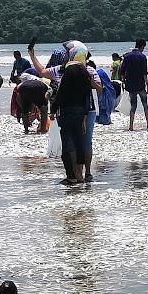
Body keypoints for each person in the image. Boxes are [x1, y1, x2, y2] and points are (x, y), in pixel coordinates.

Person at [31, 40, 96, 185]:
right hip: (81, 112)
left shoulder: (67, 72)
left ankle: (71, 176)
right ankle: (80, 175)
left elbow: (61, 94)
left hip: (67, 112)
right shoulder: (85, 72)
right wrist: (85, 116)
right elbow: (87, 96)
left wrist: (53, 109)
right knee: (79, 143)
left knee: (67, 144)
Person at [119, 40, 148, 130]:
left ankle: (131, 126)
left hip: (130, 85)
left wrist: (124, 80)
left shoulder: (127, 56)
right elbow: (144, 73)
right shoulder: (143, 57)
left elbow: (122, 71)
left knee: (133, 105)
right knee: (145, 104)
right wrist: (147, 85)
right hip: (140, 84)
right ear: (142, 46)